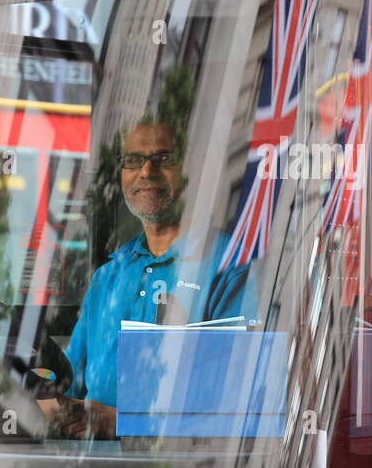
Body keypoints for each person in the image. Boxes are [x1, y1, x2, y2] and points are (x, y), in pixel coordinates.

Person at [43, 117, 255, 439]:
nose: (146, 171)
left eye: (163, 158)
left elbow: (234, 402)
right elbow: (64, 382)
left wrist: (119, 422)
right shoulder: (106, 278)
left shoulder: (228, 265)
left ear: (188, 171)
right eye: (133, 160)